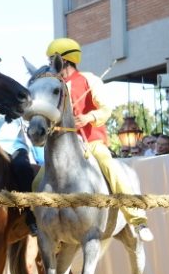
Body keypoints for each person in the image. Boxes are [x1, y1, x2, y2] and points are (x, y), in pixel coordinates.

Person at [44, 37, 154, 242]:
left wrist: (87, 117)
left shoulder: (89, 80)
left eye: (52, 60)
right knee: (38, 179)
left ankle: (138, 220)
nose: (50, 65)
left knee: (111, 168)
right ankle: (39, 225)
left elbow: (106, 109)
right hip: (64, 147)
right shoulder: (51, 86)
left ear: (64, 60)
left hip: (91, 143)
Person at [0, 52, 40, 235]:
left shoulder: (8, 89)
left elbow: (25, 107)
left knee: (23, 168)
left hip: (15, 147)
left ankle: (32, 215)